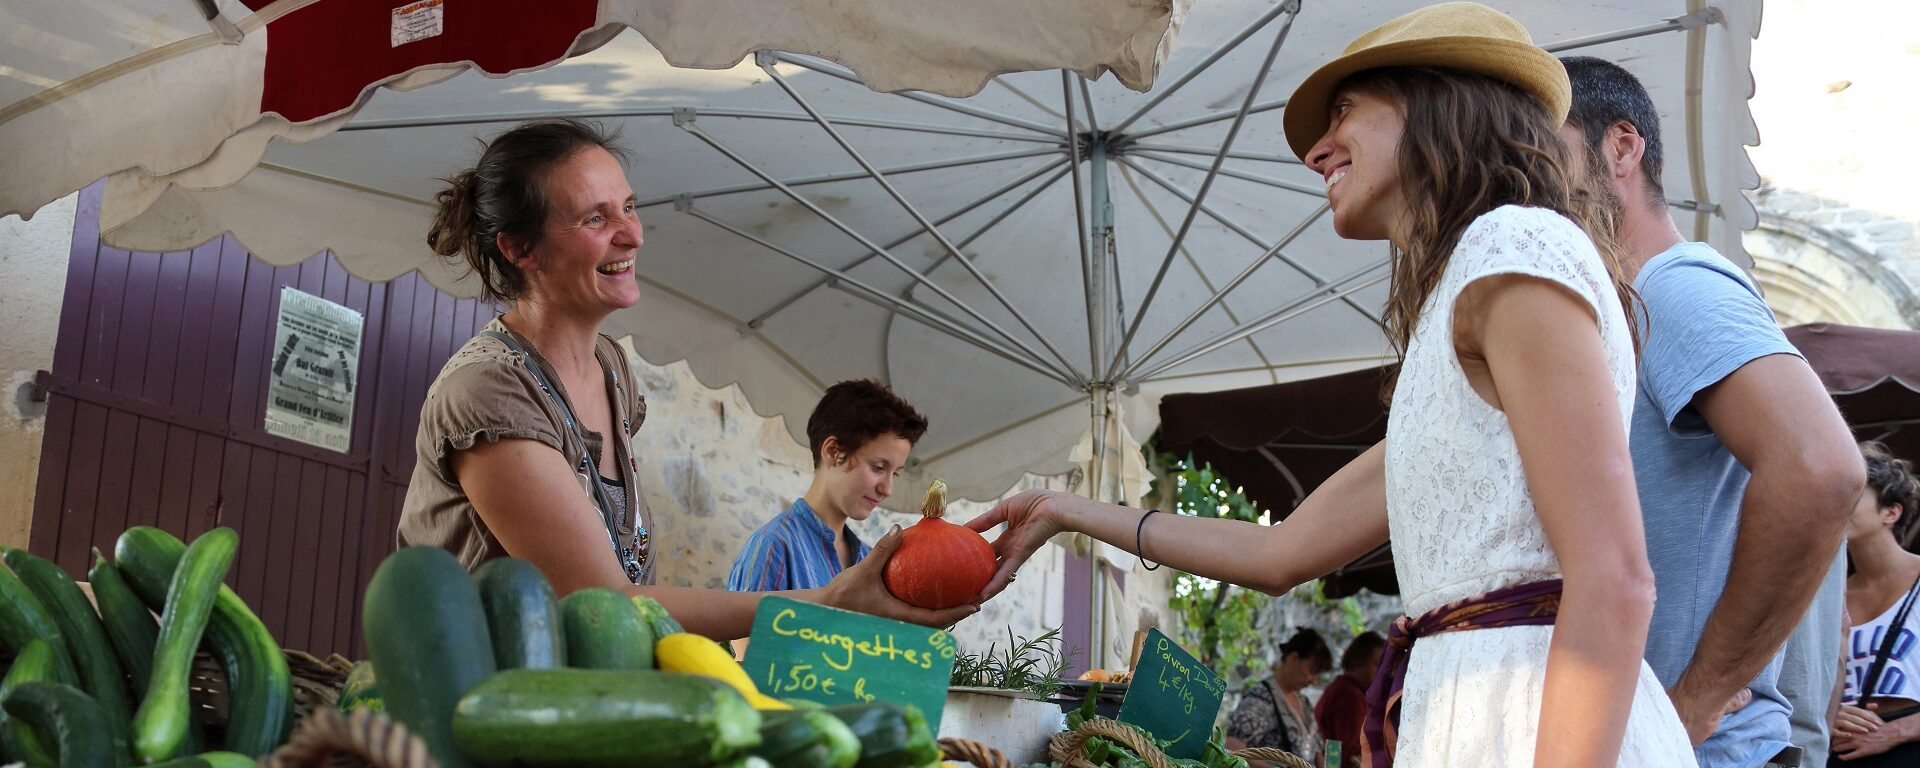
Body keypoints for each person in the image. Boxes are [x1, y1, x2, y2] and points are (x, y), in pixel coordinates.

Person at [970, 4, 1694, 765]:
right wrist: (1066, 511)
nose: (1316, 151)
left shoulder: (1512, 245)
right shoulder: (1472, 290)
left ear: (1435, 98)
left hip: (1538, 726)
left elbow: (1614, 578)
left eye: (1343, 110)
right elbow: (1284, 551)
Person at [396, 118, 976, 640]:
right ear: (520, 248)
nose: (632, 234)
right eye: (596, 218)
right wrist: (827, 600)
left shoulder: (611, 368)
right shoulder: (489, 393)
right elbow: (603, 601)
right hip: (477, 719)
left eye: (629, 206)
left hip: (583, 703)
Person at [1559, 56, 1867, 768]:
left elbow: (1821, 471)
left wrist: (1697, 698)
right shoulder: (1621, 311)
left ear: (1621, 149)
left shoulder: (1672, 288)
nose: (1522, 189)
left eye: (1539, 155)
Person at [727, 379, 928, 591]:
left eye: (895, 473)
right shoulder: (772, 548)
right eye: (878, 467)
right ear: (833, 451)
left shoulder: (870, 561)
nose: (887, 489)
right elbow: (744, 625)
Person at [1833, 442, 1920, 765]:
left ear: (1891, 512)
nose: (1838, 505)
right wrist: (1830, 714)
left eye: (1853, 495)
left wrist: (1901, 730)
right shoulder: (1829, 596)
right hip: (1844, 748)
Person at [1227, 629, 1334, 767]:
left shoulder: (1304, 703)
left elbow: (1317, 750)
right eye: (1312, 671)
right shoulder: (1262, 697)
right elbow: (1234, 747)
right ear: (1294, 658)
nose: (1313, 680)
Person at [1318, 632, 1387, 768]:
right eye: (1376, 665)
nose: (1381, 673)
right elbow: (1350, 752)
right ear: (1358, 663)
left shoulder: (1339, 687)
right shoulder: (1349, 695)